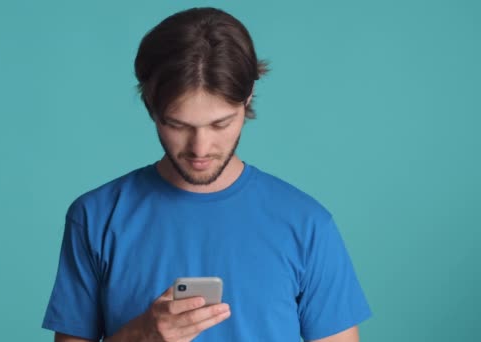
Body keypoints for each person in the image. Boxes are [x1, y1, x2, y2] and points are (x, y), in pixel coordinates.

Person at [42, 7, 372, 342]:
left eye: (220, 124)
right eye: (178, 125)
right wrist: (142, 335)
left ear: (248, 99)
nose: (200, 148)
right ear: (150, 107)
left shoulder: (308, 225)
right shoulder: (96, 217)